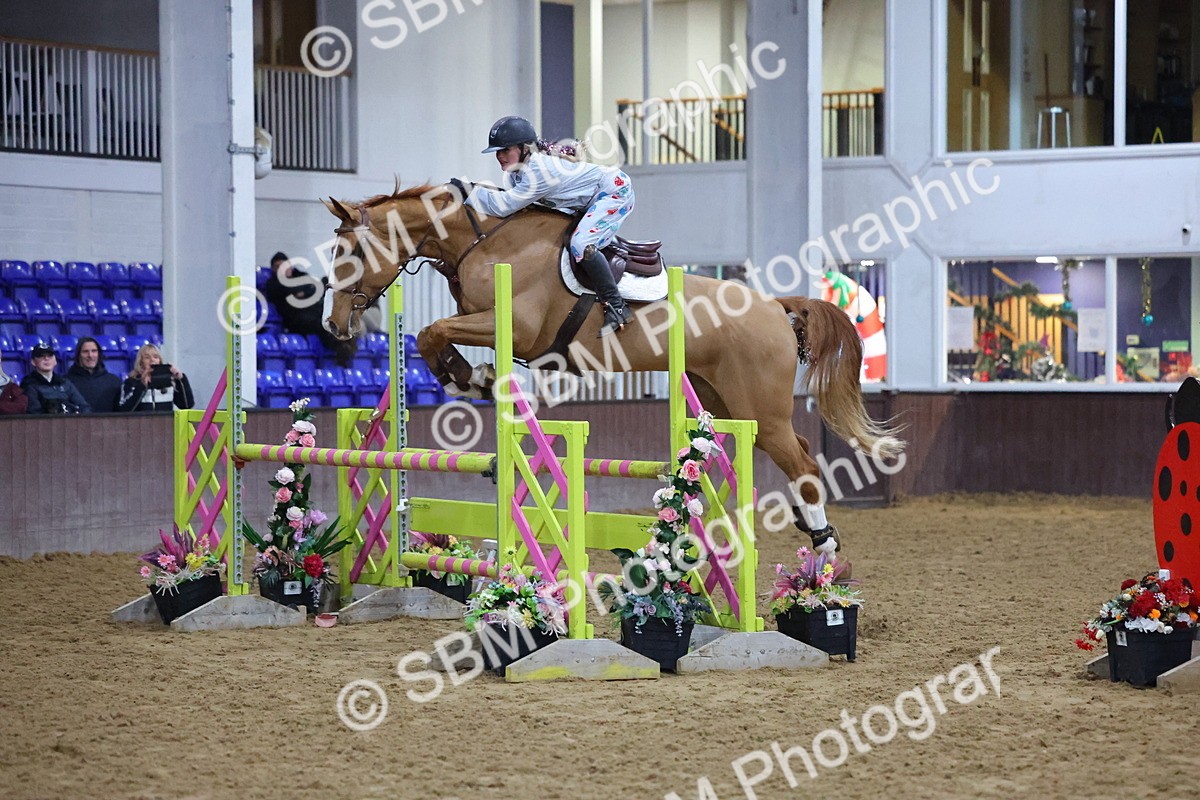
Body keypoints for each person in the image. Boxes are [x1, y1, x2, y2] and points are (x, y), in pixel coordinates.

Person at [452, 115, 636, 336]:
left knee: (580, 243)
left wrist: (468, 191)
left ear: (524, 148)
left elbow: (503, 206)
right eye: (497, 152)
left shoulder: (538, 171)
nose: (499, 156)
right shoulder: (514, 176)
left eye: (505, 150)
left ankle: (617, 306)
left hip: (613, 191)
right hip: (582, 202)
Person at [263, 251, 359, 365]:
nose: (281, 269)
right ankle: (340, 350)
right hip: (294, 318)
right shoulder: (272, 284)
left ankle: (347, 345)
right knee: (321, 325)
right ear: (273, 269)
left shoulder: (302, 276)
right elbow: (289, 291)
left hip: (313, 311)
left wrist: (301, 291)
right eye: (277, 267)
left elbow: (314, 289)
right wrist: (302, 290)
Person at [117, 343, 195, 412]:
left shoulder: (169, 381)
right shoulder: (131, 382)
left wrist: (181, 379)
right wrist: (142, 386)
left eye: (155, 357)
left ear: (159, 360)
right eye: (147, 357)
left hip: (165, 425)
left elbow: (187, 405)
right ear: (141, 362)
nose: (152, 360)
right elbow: (124, 410)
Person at [20, 343, 91, 414]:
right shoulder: (29, 384)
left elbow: (84, 407)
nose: (46, 359)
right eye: (41, 356)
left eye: (50, 356)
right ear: (33, 362)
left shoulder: (65, 382)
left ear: (55, 361)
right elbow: (34, 413)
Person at [67, 337, 122, 412]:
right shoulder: (66, 382)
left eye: (94, 351)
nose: (90, 355)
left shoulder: (114, 381)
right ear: (78, 355)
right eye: (85, 351)